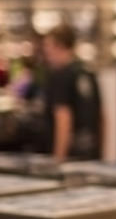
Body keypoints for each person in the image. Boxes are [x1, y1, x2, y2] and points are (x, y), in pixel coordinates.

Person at [42, 23, 101, 161]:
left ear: (60, 46)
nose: (46, 53)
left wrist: (59, 159)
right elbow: (102, 116)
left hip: (70, 156)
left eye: (48, 47)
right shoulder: (88, 73)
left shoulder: (60, 76)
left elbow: (63, 118)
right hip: (89, 152)